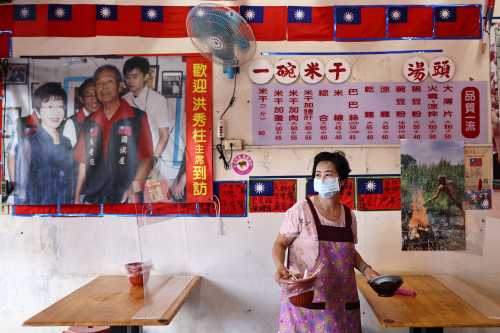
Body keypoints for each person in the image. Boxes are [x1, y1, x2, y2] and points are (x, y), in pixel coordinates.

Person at [272, 151, 379, 333]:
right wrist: (279, 265)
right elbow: (280, 244)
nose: (321, 179)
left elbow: (348, 253)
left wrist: (366, 269)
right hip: (306, 304)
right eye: (318, 175)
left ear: (342, 180)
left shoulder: (349, 217)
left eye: (328, 175)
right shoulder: (300, 211)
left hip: (341, 304)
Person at [73, 64, 154, 204]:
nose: (104, 87)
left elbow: (147, 158)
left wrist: (133, 188)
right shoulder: (89, 122)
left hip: (126, 198)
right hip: (93, 198)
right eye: (99, 83)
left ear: (120, 86)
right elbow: (82, 163)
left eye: (109, 82)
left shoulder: (137, 117)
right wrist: (76, 197)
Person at [16, 82, 74, 204]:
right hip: (39, 214)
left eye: (60, 106)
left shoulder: (66, 142)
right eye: (49, 107)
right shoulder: (28, 145)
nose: (55, 112)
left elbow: (69, 180)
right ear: (37, 113)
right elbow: (21, 189)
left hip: (64, 211)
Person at [63, 78, 100, 147]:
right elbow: (69, 154)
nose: (94, 99)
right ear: (81, 99)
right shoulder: (72, 123)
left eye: (97, 94)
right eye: (89, 95)